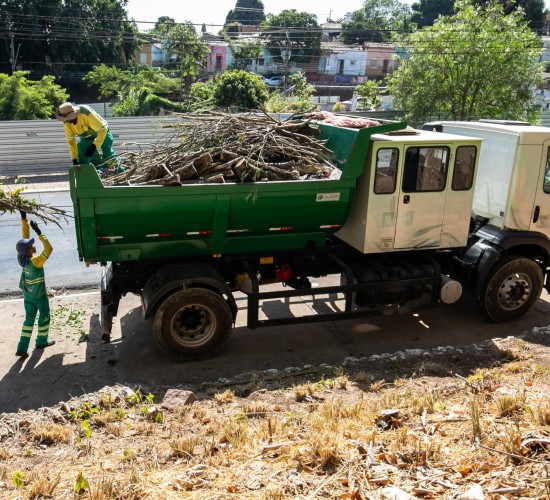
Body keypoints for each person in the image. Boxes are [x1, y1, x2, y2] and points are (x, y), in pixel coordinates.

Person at [15, 211, 55, 359]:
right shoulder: (36, 261)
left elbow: (23, 240)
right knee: (44, 317)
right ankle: (41, 341)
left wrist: (24, 219)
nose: (33, 245)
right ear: (29, 251)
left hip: (28, 295)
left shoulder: (22, 259)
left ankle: (22, 347)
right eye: (31, 246)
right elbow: (49, 249)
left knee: (29, 319)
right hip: (39, 296)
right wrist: (39, 232)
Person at [55, 102, 122, 172]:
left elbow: (102, 130)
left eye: (66, 119)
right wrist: (74, 160)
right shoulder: (67, 123)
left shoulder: (86, 113)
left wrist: (93, 147)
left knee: (107, 152)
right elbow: (71, 142)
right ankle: (96, 171)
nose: (65, 122)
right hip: (86, 136)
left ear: (73, 115)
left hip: (102, 132)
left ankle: (118, 171)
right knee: (83, 153)